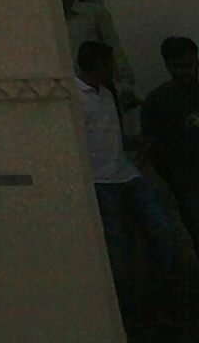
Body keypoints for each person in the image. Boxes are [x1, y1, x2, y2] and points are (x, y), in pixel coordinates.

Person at [79, 40, 187, 335]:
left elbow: (110, 136)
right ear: (100, 66)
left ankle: (158, 307)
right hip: (100, 182)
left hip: (126, 174)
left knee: (162, 233)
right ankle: (128, 319)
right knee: (119, 256)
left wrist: (133, 144)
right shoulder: (75, 97)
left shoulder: (107, 94)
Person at [142, 36, 199, 248]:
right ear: (168, 65)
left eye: (191, 65)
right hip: (186, 182)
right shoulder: (157, 102)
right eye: (180, 66)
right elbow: (151, 149)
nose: (187, 71)